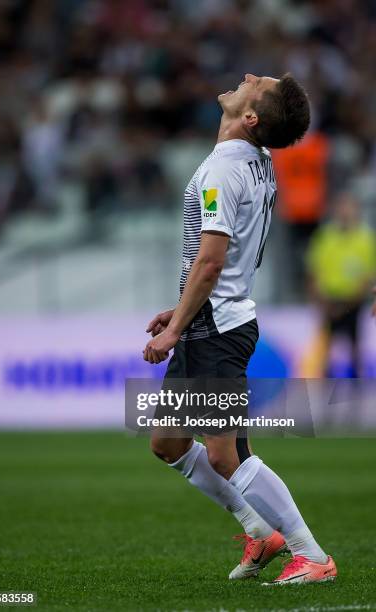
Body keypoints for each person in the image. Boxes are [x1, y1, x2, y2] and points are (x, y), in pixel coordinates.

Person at [143, 73, 337, 584]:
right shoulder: (258, 161)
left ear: (250, 118)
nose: (247, 76)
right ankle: (259, 530)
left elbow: (212, 260)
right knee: (168, 442)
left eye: (258, 83)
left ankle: (311, 554)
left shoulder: (222, 171)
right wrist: (181, 307)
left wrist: (176, 326)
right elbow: (218, 262)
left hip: (216, 327)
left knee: (227, 453)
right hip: (210, 317)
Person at [306, 193, 376, 377]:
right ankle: (326, 384)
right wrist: (321, 301)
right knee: (326, 348)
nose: (345, 213)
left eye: (349, 208)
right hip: (329, 300)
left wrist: (349, 303)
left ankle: (355, 384)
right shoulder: (325, 237)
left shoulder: (365, 239)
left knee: (354, 346)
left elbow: (368, 275)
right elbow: (314, 270)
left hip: (353, 302)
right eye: (342, 208)